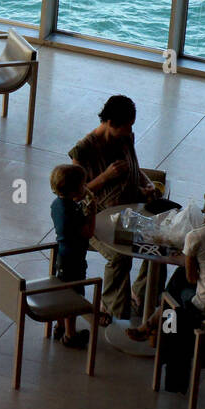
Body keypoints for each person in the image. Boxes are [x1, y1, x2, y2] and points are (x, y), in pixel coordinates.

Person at [68, 95, 162, 319]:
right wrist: (106, 177)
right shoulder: (83, 150)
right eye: (127, 127)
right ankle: (114, 309)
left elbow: (135, 169)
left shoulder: (125, 138)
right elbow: (76, 195)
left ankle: (141, 297)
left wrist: (147, 185)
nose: (129, 132)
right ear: (110, 123)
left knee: (159, 244)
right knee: (120, 256)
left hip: (128, 213)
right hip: (94, 219)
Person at [127, 180, 205, 391]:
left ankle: (159, 333)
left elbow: (191, 279)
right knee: (178, 287)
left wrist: (190, 259)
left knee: (173, 299)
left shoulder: (197, 236)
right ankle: (151, 323)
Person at [49, 163, 99, 346]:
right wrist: (92, 212)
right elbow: (88, 232)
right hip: (75, 258)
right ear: (74, 189)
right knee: (74, 296)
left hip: (62, 255)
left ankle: (59, 325)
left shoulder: (57, 204)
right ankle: (70, 335)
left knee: (62, 291)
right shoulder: (73, 211)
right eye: (83, 184)